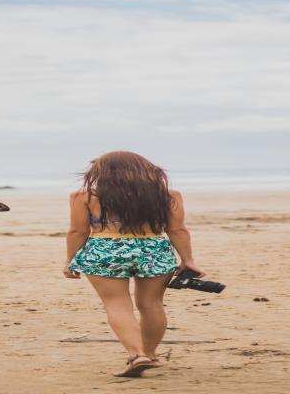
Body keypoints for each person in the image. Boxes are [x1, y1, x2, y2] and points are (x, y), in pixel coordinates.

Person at [63, 151, 205, 377]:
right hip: (153, 249)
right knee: (152, 304)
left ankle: (137, 354)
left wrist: (71, 260)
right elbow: (177, 229)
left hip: (105, 250)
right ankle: (150, 354)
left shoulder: (84, 197)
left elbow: (78, 231)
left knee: (117, 304)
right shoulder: (168, 195)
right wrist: (188, 260)